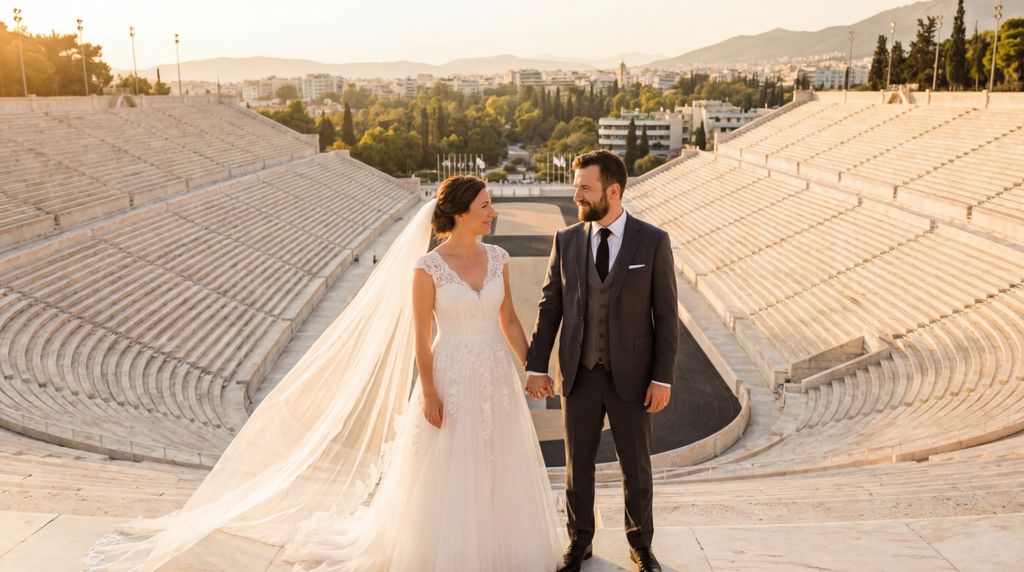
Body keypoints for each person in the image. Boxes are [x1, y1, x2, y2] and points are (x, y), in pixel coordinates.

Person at [86, 176, 561, 571]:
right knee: (450, 465)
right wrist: (430, 393)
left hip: (495, 375)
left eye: (490, 204)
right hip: (451, 372)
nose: (492, 210)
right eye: (484, 204)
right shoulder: (428, 268)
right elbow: (420, 336)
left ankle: (499, 545)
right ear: (460, 212)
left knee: (497, 459)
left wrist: (531, 368)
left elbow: (511, 321)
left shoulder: (497, 258)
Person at [525, 150, 679, 572]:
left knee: (636, 466)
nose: (576, 194)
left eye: (584, 188)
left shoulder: (653, 241)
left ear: (613, 191)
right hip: (580, 371)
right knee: (579, 467)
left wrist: (662, 378)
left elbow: (666, 316)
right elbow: (549, 306)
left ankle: (641, 546)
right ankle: (579, 543)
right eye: (576, 186)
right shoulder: (567, 240)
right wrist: (537, 365)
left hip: (633, 375)